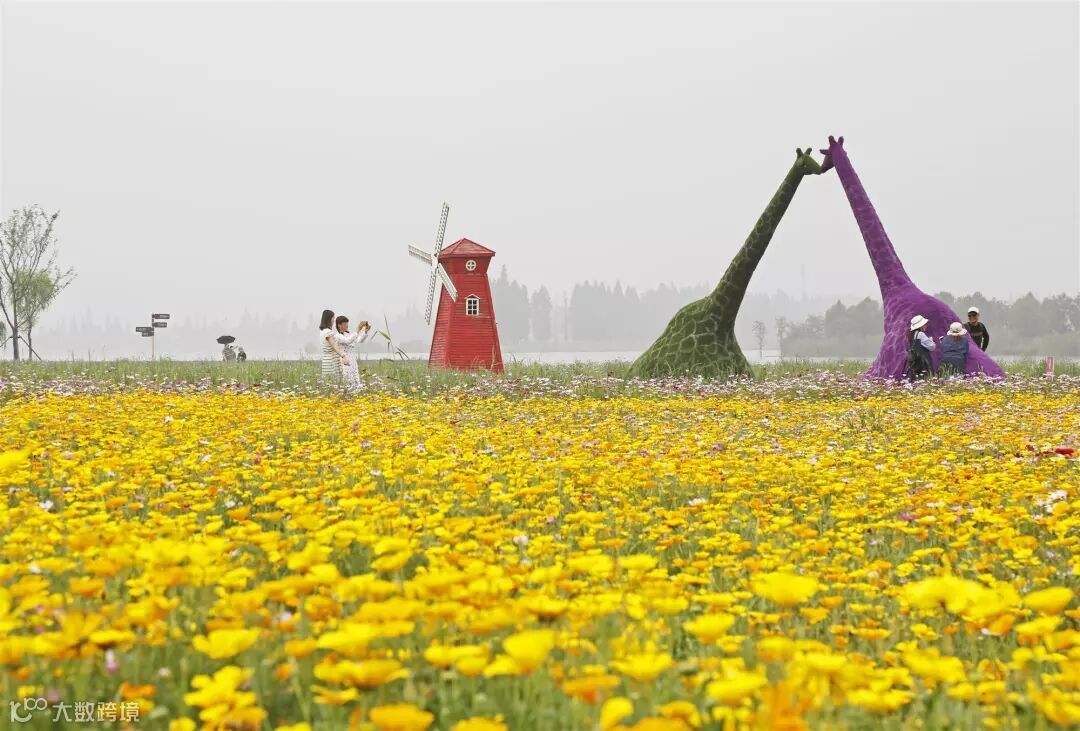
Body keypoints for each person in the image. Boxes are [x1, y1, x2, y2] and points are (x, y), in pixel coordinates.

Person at [333, 315, 371, 392]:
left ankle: (355, 393)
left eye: (347, 323)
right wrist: (358, 329)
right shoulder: (337, 336)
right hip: (345, 360)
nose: (347, 325)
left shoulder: (349, 333)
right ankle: (348, 394)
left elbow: (359, 340)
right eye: (345, 323)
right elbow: (347, 341)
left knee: (356, 380)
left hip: (353, 359)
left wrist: (365, 331)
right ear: (339, 325)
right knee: (348, 380)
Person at [319, 309, 347, 384]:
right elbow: (334, 345)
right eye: (333, 318)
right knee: (334, 382)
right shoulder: (328, 332)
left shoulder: (322, 331)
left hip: (326, 360)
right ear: (329, 319)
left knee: (328, 382)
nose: (334, 320)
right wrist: (343, 355)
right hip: (332, 361)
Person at [905, 314, 935, 380]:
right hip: (923, 362)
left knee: (918, 380)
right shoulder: (920, 334)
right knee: (927, 379)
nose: (926, 325)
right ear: (921, 325)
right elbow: (932, 347)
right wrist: (931, 340)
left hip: (915, 363)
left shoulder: (911, 335)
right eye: (925, 324)